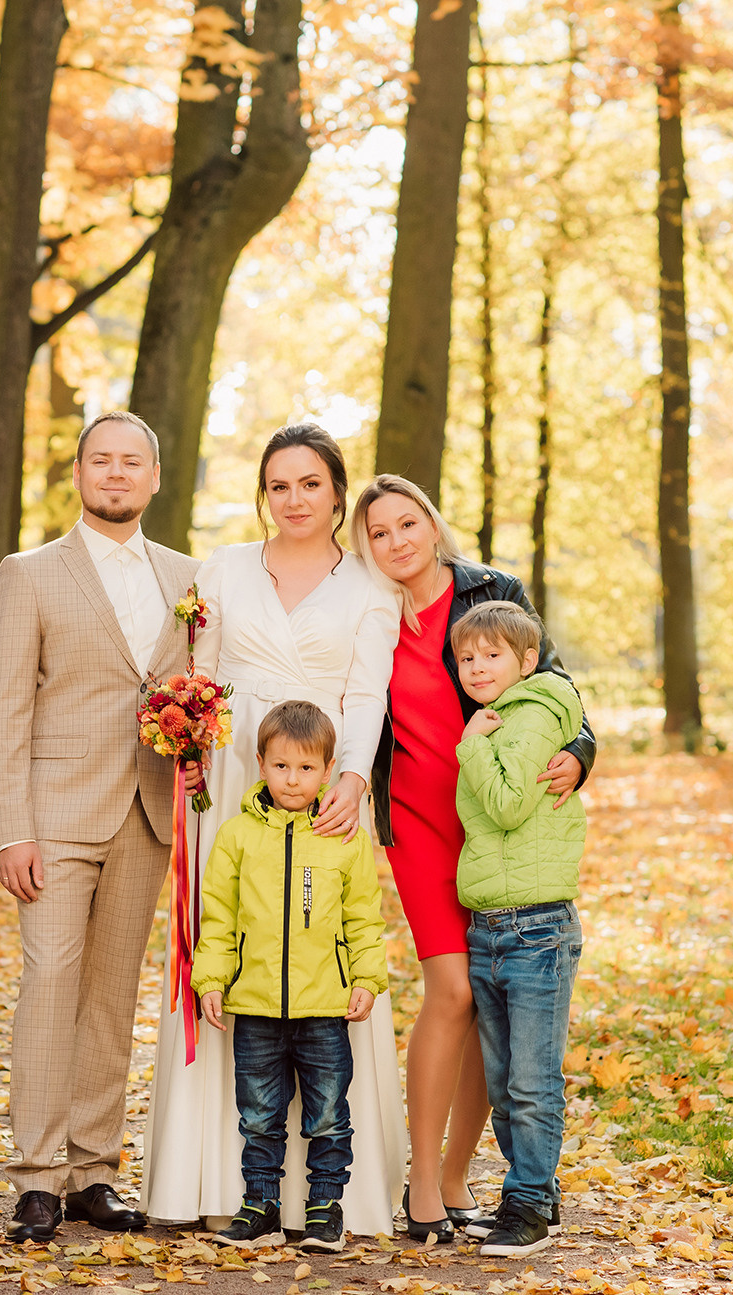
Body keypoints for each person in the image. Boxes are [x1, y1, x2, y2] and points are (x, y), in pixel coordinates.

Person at [144, 423, 406, 1238]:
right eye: (280, 485)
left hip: (324, 771)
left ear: (338, 491)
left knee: (323, 934)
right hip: (231, 775)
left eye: (311, 484)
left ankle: (333, 1193)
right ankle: (214, 1179)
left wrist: (353, 779)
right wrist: (188, 748)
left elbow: (367, 695)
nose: (295, 499)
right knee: (227, 929)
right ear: (266, 492)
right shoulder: (220, 568)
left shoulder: (369, 585)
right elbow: (198, 671)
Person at [352, 474, 595, 1243]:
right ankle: (422, 1181)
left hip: (496, 818)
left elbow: (555, 685)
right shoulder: (362, 612)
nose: (397, 542)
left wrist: (581, 754)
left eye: (407, 522)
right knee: (452, 990)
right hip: (419, 822)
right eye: (379, 532)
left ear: (431, 522)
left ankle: (459, 1171)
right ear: (365, 545)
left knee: (490, 995)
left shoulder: (491, 590)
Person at [0, 411, 202, 1243]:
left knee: (112, 996)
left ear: (153, 478)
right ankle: (36, 1176)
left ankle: (92, 1169)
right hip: (56, 813)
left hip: (146, 814)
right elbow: (4, 704)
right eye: (100, 461)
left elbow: (196, 694)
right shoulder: (30, 572)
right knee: (50, 983)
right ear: (79, 475)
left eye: (131, 462)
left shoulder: (186, 577)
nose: (115, 474)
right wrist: (11, 828)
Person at [191, 701, 389, 1254]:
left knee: (328, 1113)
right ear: (260, 764)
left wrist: (367, 977)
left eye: (306, 769)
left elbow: (363, 918)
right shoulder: (235, 837)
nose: (293, 779)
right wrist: (210, 981)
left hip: (324, 1004)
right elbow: (219, 918)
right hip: (253, 1005)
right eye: (281, 767)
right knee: (258, 1114)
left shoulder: (343, 838)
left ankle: (326, 1208)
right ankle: (260, 1205)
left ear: (328, 771)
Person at [445, 601, 588, 1259]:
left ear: (527, 660)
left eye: (492, 655)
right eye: (468, 657)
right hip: (490, 926)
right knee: (504, 1083)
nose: (477, 667)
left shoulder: (527, 718)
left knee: (530, 1081)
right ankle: (536, 1195)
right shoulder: (500, 717)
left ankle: (526, 1203)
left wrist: (471, 744)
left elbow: (505, 806)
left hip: (535, 930)